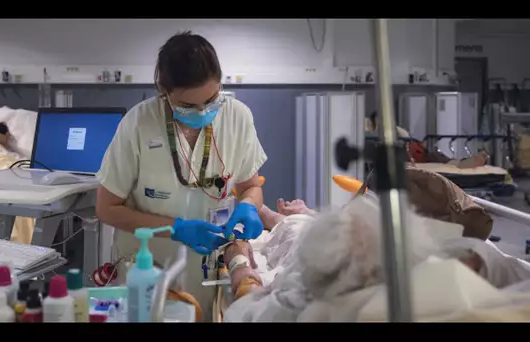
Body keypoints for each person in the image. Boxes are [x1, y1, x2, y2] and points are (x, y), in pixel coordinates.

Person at [95, 31, 267, 321]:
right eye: (188, 106)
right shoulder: (138, 124)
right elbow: (106, 208)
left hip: (208, 272)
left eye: (212, 99)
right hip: (147, 269)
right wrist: (174, 228)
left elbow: (251, 186)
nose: (203, 111)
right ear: (164, 93)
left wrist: (249, 205)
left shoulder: (238, 117)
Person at [223, 197, 530, 322]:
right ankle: (291, 214)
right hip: (338, 238)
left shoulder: (307, 294)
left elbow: (245, 304)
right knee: (299, 226)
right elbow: (494, 263)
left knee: (294, 229)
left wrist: (238, 256)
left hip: (315, 243)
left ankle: (282, 215)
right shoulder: (457, 259)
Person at [367, 111, 488, 168]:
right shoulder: (375, 138)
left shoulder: (398, 132)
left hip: (417, 152)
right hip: (408, 158)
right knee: (437, 160)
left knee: (437, 158)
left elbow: (408, 138)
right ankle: (462, 164)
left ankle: (464, 163)